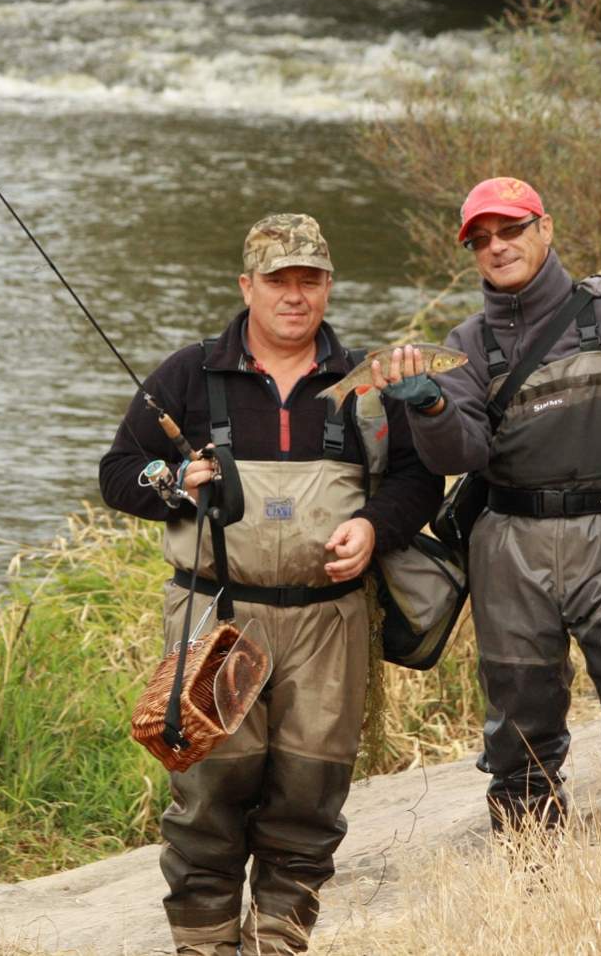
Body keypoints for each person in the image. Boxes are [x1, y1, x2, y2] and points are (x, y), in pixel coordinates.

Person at [98, 213, 439, 955]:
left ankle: (277, 944)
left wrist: (374, 528)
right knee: (208, 798)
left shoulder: (368, 384)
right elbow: (118, 473)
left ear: (328, 287)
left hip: (329, 624)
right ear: (246, 286)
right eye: (278, 280)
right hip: (215, 622)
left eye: (309, 280)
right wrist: (172, 480)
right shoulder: (189, 375)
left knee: (308, 800)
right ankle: (204, 946)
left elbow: (418, 481)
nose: (294, 295)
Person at [374, 176, 601, 829]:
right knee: (518, 739)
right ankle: (534, 872)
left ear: (545, 228)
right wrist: (431, 407)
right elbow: (459, 455)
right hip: (509, 553)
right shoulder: (465, 345)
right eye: (481, 240)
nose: (498, 247)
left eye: (511, 230)